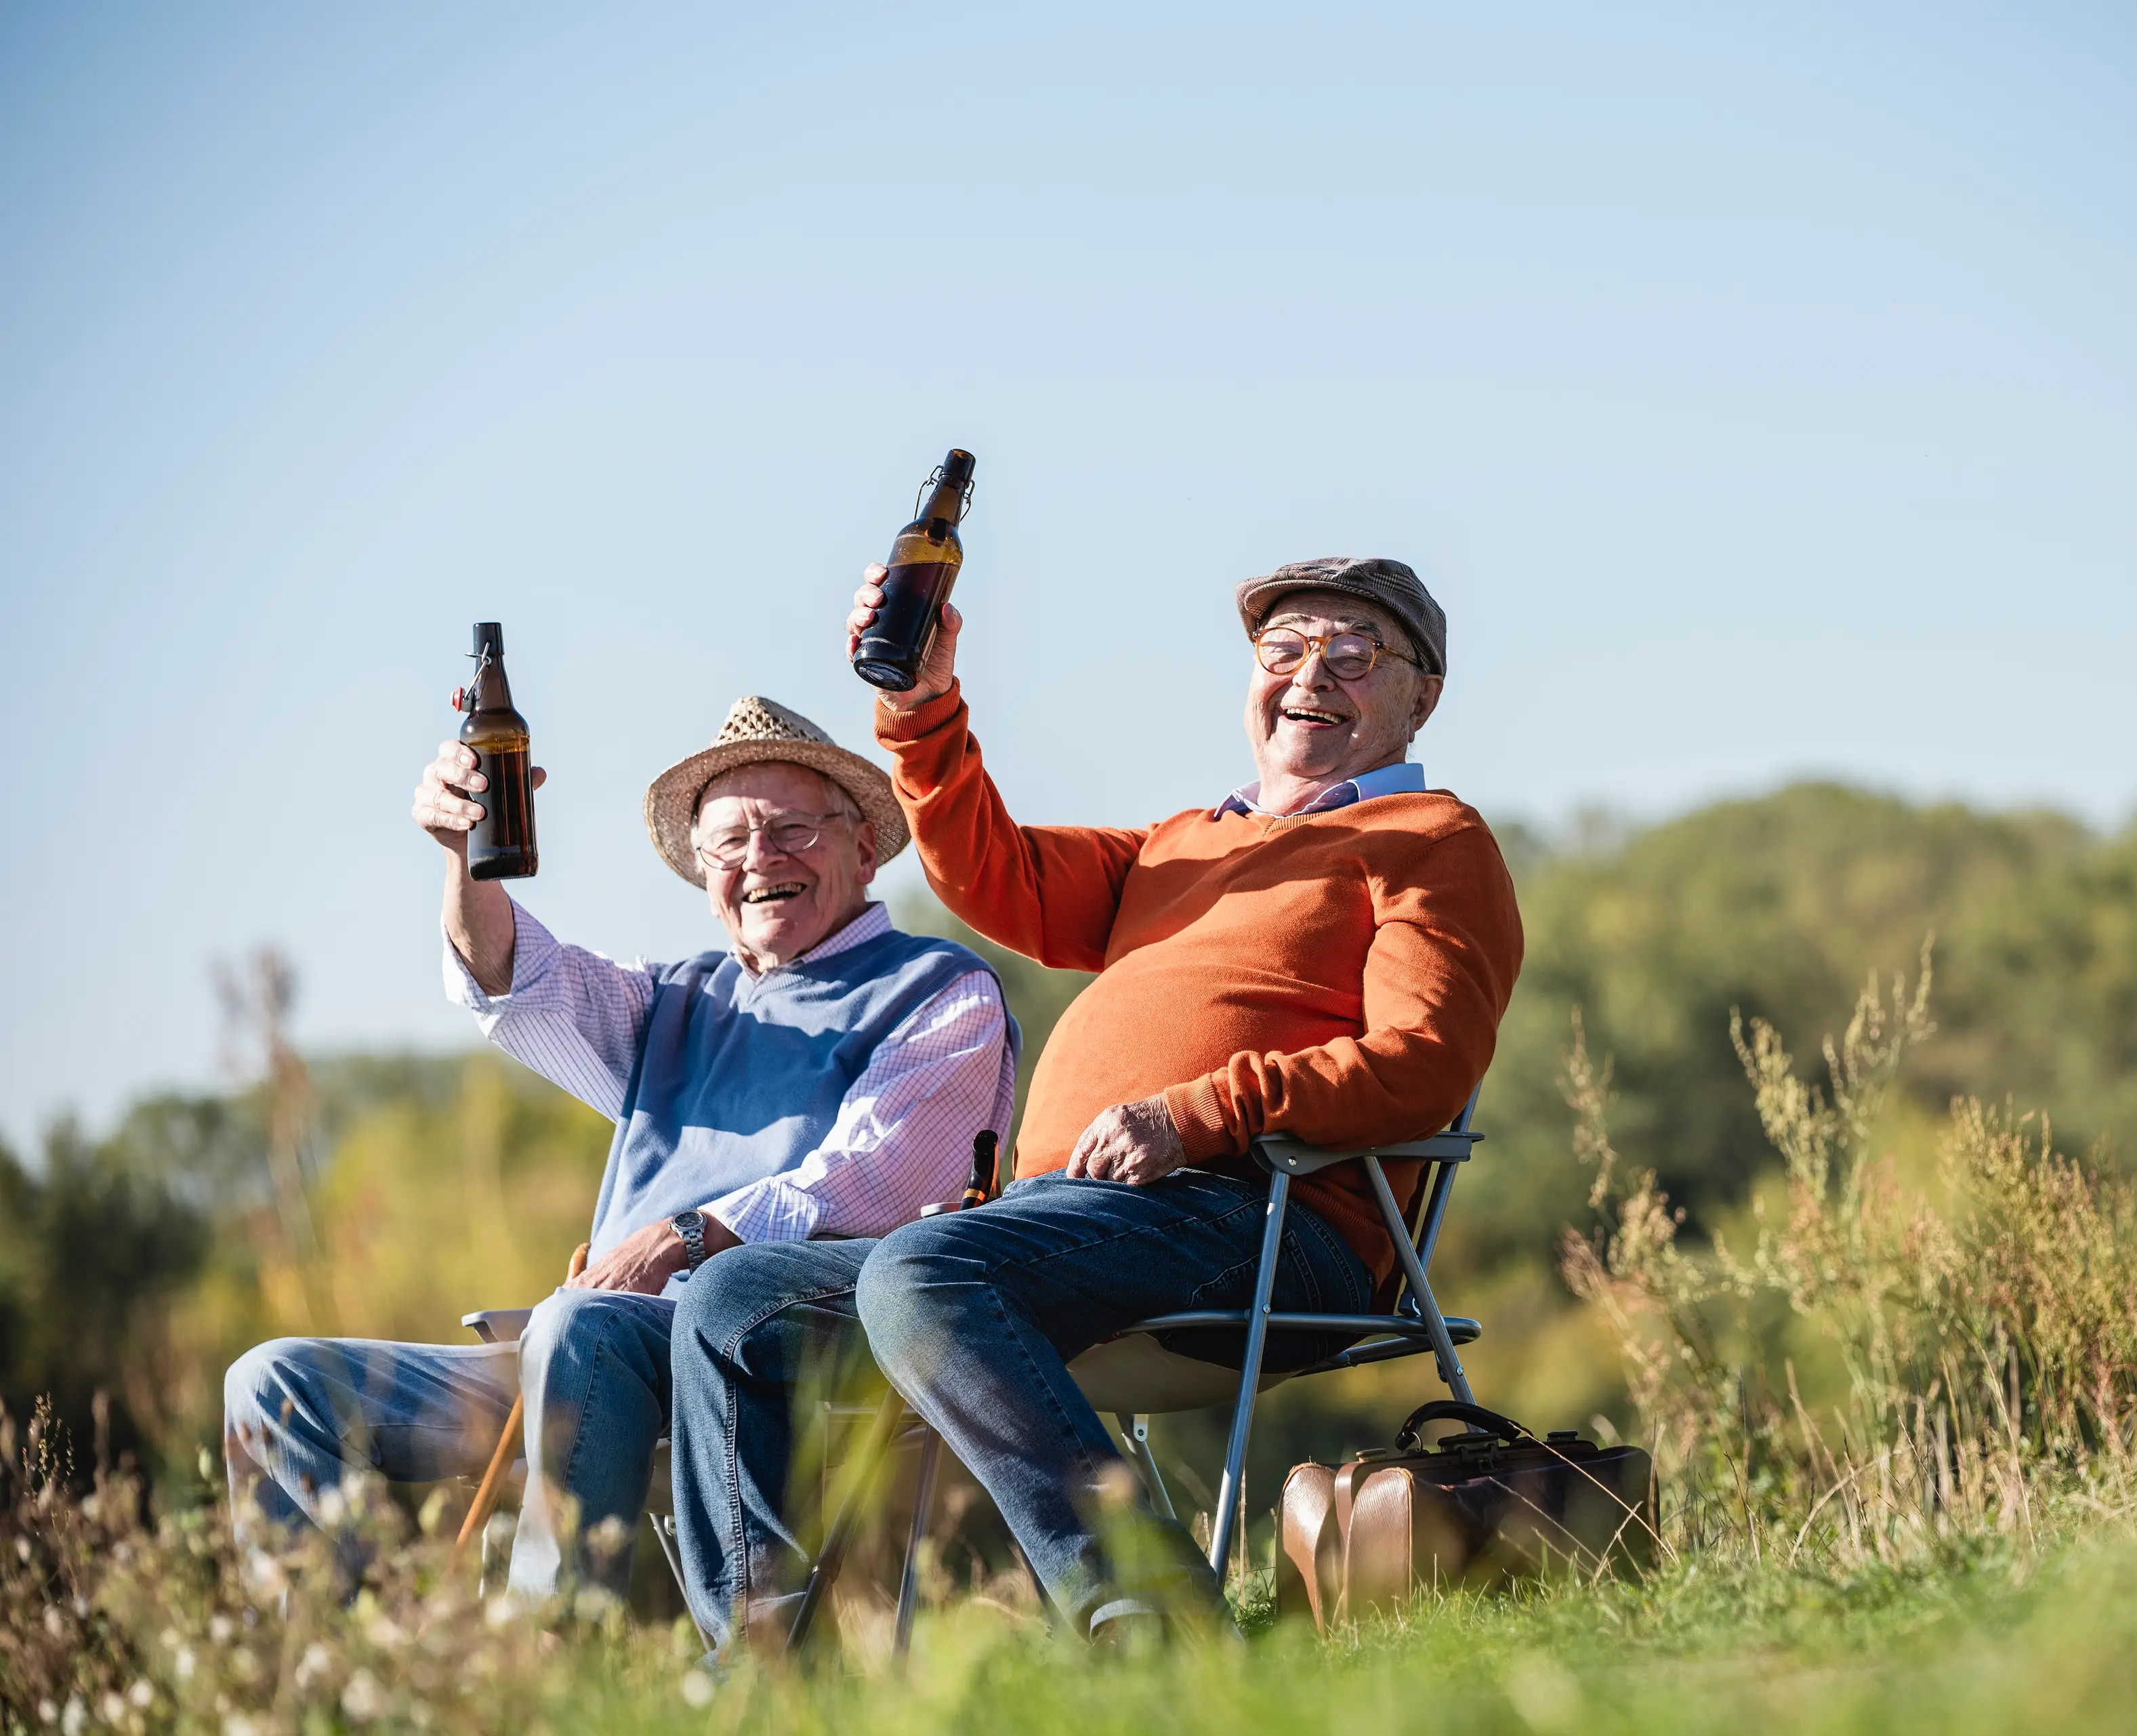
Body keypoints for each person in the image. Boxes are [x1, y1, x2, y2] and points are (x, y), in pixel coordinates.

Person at [669, 558, 1522, 1642]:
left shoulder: (1432, 842)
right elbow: (995, 874)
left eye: (1355, 655)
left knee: (923, 1269)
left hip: (1266, 1218)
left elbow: (1423, 1061)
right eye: (1284, 650)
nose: (1312, 675)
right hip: (1066, 1224)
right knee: (732, 1297)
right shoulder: (1183, 843)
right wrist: (922, 706)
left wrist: (1199, 1114)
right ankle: (766, 1665)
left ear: (1420, 696)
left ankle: (1150, 1613)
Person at [223, 696, 1014, 1598]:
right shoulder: (677, 1000)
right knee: (273, 1385)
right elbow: (517, 984)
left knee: (576, 1323)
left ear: (864, 846)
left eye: (792, 830)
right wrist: (464, 858)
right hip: (581, 1358)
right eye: (730, 844)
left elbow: (878, 1175)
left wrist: (681, 1234)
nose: (761, 860)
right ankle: (360, 1681)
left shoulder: (938, 988)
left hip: (779, 1351)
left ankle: (539, 1660)